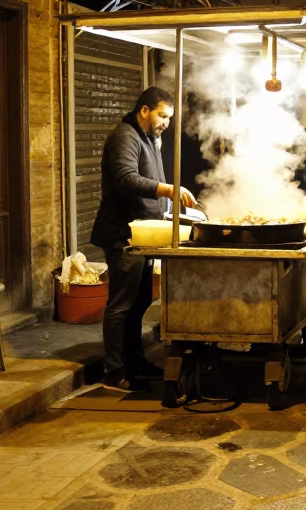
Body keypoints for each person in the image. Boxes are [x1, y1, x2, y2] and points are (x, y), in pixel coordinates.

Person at [91, 86, 196, 392]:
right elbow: (126, 179)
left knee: (139, 302)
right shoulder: (125, 136)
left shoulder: (149, 138)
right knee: (121, 304)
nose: (166, 123)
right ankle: (114, 371)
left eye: (169, 118)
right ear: (145, 110)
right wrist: (168, 190)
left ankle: (135, 362)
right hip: (123, 235)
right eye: (162, 116)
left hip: (144, 234)